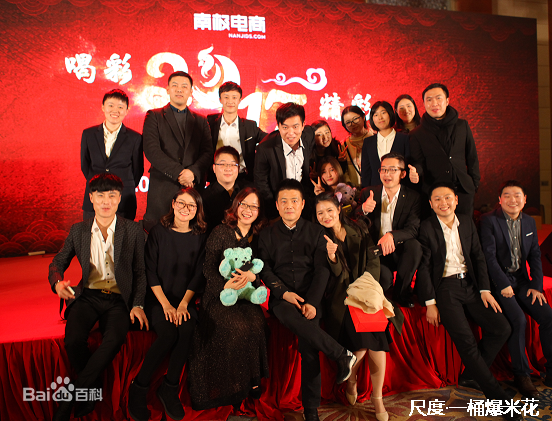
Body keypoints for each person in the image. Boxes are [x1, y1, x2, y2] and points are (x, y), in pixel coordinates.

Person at [417, 182, 522, 421]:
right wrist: (430, 302)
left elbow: (478, 256)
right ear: (431, 204)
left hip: (471, 285)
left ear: (456, 200)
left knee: (502, 328)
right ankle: (499, 401)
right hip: (445, 288)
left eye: (447, 198)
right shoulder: (427, 227)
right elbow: (424, 267)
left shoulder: (466, 222)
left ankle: (471, 375)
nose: (443, 203)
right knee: (467, 344)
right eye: (437, 199)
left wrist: (485, 289)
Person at [48, 173, 148, 421]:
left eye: (112, 195)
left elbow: (140, 271)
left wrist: (137, 304)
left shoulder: (133, 230)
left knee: (114, 339)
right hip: (89, 296)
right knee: (73, 341)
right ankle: (91, 388)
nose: (106, 201)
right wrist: (57, 283)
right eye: (100, 195)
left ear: (119, 198)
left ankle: (72, 398)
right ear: (91, 198)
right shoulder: (79, 230)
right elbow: (58, 262)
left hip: (118, 300)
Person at [258, 179, 356, 421]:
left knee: (309, 348)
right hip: (282, 297)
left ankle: (311, 411)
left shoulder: (316, 232)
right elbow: (265, 269)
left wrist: (311, 302)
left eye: (294, 201)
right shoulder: (266, 234)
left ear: (302, 204)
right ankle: (341, 354)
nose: (289, 206)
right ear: (277, 206)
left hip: (311, 295)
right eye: (284, 201)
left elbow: (322, 270)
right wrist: (283, 292)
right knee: (286, 311)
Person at [128, 188, 207, 421]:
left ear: (197, 210)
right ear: (173, 204)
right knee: (168, 334)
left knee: (188, 329)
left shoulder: (200, 236)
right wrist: (166, 306)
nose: (185, 209)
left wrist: (183, 305)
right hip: (158, 299)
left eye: (191, 206)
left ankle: (170, 387)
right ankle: (138, 387)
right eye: (181, 203)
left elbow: (198, 275)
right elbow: (150, 272)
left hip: (184, 300)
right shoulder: (158, 232)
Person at [189, 187, 269, 410]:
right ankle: (233, 385)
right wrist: (225, 285)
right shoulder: (221, 232)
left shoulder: (258, 237)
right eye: (244, 205)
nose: (248, 210)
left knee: (257, 323)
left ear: (259, 212)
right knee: (236, 326)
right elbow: (207, 268)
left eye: (254, 207)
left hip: (245, 295)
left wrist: (253, 277)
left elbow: (262, 268)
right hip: (219, 295)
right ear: (236, 206)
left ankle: (252, 378)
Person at [315, 192, 389, 420]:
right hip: (342, 298)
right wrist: (333, 258)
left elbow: (373, 259)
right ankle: (353, 381)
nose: (326, 216)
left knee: (376, 343)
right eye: (320, 213)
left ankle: (377, 397)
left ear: (339, 209)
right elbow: (334, 276)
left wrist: (367, 285)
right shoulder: (319, 238)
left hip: (365, 291)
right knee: (367, 341)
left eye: (329, 210)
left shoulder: (359, 228)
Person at [480, 180, 552, 398]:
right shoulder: (489, 220)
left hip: (522, 280)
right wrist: (502, 284)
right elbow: (489, 257)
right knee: (519, 320)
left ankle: (550, 370)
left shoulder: (529, 222)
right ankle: (522, 375)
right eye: (507, 195)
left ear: (525, 199)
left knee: (547, 315)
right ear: (499, 199)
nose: (513, 200)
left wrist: (536, 286)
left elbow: (535, 256)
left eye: (517, 195)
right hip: (498, 281)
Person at [142, 71, 213, 231]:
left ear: (190, 91)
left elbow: (207, 152)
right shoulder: (154, 116)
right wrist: (180, 173)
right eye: (175, 85)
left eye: (184, 86)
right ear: (167, 89)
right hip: (163, 188)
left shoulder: (201, 120)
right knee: (159, 234)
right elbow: (152, 150)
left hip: (193, 188)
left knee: (192, 234)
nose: (179, 89)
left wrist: (193, 173)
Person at [356, 153, 422, 308]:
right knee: (384, 282)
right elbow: (354, 222)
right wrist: (363, 209)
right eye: (383, 169)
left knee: (415, 246)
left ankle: (402, 293)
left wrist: (392, 236)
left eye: (392, 170)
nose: (387, 174)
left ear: (403, 174)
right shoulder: (368, 193)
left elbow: (413, 229)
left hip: (399, 250)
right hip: (377, 251)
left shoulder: (413, 197)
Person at [409, 83, 480, 217]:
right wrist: (416, 172)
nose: (434, 103)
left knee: (465, 227)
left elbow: (472, 157)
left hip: (463, 190)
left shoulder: (462, 125)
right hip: (435, 192)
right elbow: (418, 162)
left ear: (447, 101)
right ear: (424, 104)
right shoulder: (417, 133)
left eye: (438, 98)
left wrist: (474, 184)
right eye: (429, 100)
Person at [81, 89, 143, 220]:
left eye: (120, 107)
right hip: (94, 199)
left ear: (126, 110)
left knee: (123, 233)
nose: (115, 110)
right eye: (111, 105)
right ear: (103, 107)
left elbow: (137, 170)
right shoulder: (88, 134)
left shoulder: (135, 138)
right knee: (91, 233)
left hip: (123, 200)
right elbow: (85, 165)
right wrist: (99, 184)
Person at [254, 102, 315, 219]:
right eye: (285, 127)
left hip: (304, 203)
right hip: (277, 207)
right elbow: (261, 182)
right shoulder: (265, 148)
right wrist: (276, 209)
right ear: (278, 126)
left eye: (295, 127)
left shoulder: (308, 135)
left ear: (303, 125)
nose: (291, 133)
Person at [207, 82, 266, 184]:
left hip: (243, 178)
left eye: (234, 97)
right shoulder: (210, 122)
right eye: (226, 97)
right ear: (220, 100)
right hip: (216, 178)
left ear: (239, 100)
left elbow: (268, 139)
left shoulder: (249, 126)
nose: (230, 101)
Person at [360, 101, 412, 188]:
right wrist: (365, 191)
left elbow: (409, 165)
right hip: (376, 190)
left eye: (383, 113)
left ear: (390, 114)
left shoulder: (404, 138)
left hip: (400, 189)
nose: (380, 117)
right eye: (376, 115)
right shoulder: (368, 142)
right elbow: (366, 172)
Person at [202, 146, 242, 232]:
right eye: (222, 164)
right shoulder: (204, 197)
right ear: (214, 168)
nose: (228, 168)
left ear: (238, 169)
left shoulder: (246, 193)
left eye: (233, 164)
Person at [340, 106, 374, 188]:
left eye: (355, 119)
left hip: (376, 186)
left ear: (363, 117)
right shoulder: (344, 144)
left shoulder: (375, 138)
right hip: (355, 189)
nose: (353, 124)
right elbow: (345, 172)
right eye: (348, 122)